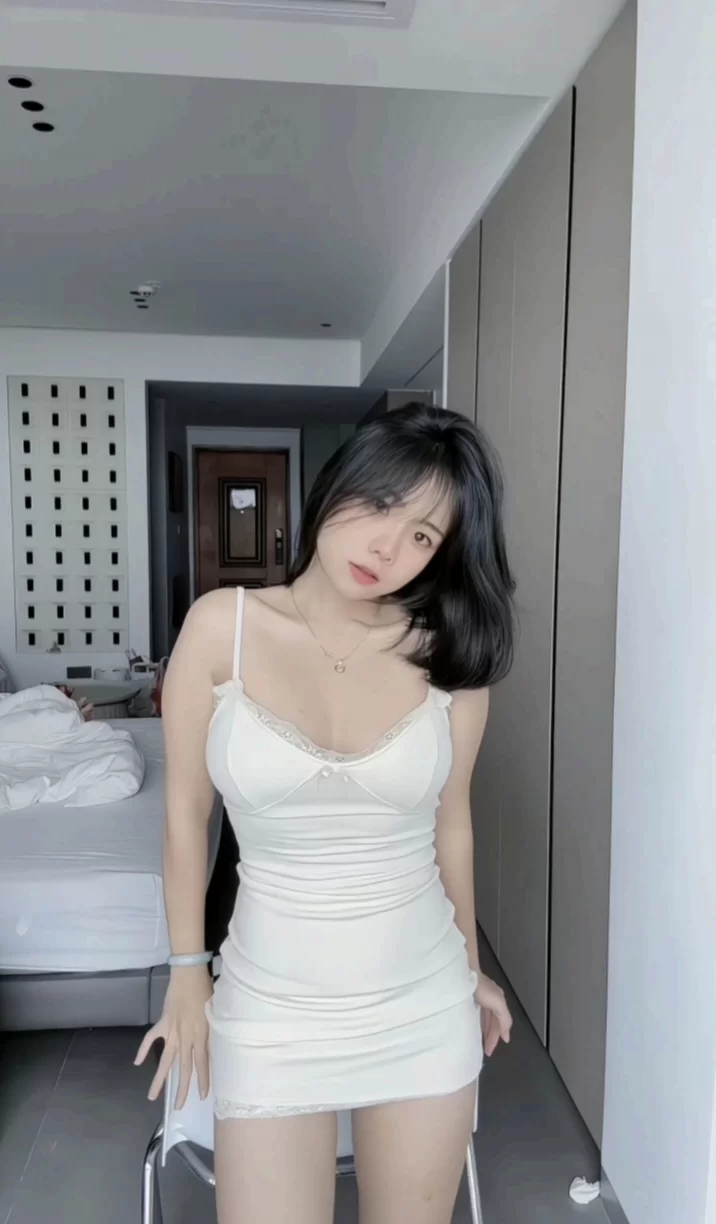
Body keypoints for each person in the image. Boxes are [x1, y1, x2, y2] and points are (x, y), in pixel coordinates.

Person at [136, 403, 515, 1224]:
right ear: (338, 485)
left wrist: (471, 964)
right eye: (381, 505)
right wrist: (188, 972)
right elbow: (185, 815)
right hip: (269, 1009)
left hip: (421, 1005)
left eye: (423, 535)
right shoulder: (223, 627)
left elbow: (452, 825)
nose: (388, 546)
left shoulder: (449, 661)